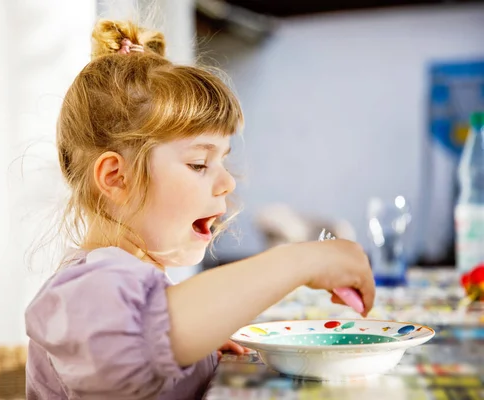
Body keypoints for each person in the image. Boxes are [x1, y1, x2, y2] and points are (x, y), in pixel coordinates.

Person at [24, 19, 375, 400]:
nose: (227, 183)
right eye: (198, 164)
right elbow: (139, 343)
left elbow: (159, 337)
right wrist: (302, 261)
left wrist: (196, 352)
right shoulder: (90, 288)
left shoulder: (138, 283)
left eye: (223, 161)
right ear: (116, 178)